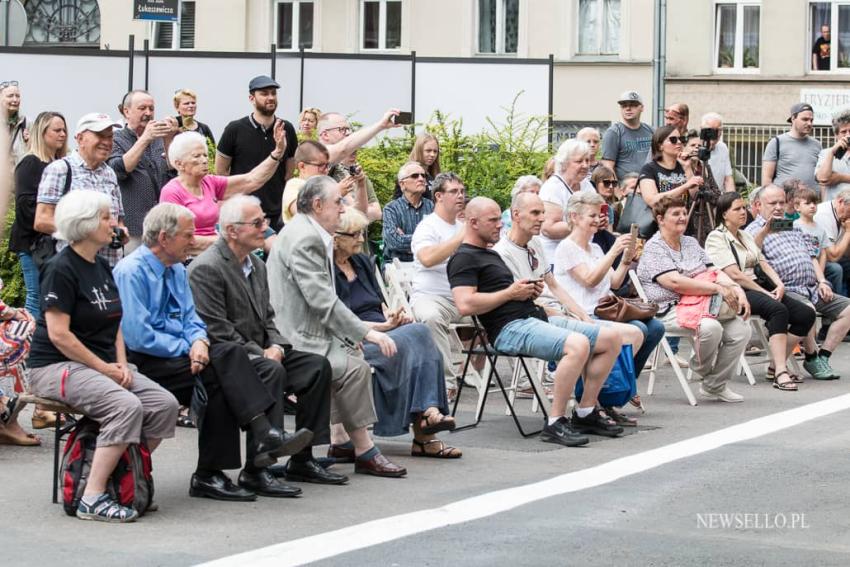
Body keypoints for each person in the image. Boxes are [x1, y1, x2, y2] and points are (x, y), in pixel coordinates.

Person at [114, 203, 313, 500]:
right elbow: (139, 336)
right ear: (165, 238)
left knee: (251, 369)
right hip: (148, 360)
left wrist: (198, 341)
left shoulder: (176, 270)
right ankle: (258, 438)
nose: (194, 241)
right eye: (187, 235)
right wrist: (191, 347)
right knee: (226, 359)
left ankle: (223, 471)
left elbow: (192, 318)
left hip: (184, 355)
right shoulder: (132, 271)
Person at [26, 190, 179, 522]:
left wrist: (121, 364)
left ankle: (122, 474)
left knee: (163, 405)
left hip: (101, 364)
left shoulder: (100, 265)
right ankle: (92, 498)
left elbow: (116, 322)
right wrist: (106, 370)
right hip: (54, 366)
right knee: (125, 406)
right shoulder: (60, 268)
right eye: (107, 216)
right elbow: (59, 335)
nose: (114, 223)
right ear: (85, 223)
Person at [188, 196, 345, 486]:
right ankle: (257, 466)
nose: (266, 228)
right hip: (232, 355)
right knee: (272, 370)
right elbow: (217, 329)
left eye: (265, 220)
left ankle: (303, 458)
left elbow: (268, 318)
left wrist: (275, 345)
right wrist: (261, 352)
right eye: (258, 222)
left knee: (316, 367)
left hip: (262, 349)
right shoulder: (206, 268)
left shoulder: (257, 266)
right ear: (232, 230)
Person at [449, 197, 624, 446]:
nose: (500, 224)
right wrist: (511, 293)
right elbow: (465, 305)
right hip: (508, 329)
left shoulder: (493, 253)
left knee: (610, 337)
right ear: (473, 223)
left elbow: (533, 289)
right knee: (577, 344)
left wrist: (528, 293)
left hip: (533, 317)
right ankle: (555, 422)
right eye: (494, 220)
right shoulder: (464, 258)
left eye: (501, 218)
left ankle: (585, 412)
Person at [268, 176, 407, 478]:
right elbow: (321, 299)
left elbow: (321, 300)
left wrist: (349, 335)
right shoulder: (305, 237)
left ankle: (342, 444)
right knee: (353, 368)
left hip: (309, 329)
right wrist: (366, 332)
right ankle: (363, 450)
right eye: (338, 202)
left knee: (353, 361)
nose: (343, 209)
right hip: (296, 336)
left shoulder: (308, 232)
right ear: (317, 205)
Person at [495, 191, 649, 424]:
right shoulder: (506, 252)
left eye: (543, 213)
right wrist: (572, 314)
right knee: (593, 340)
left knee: (638, 332)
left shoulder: (536, 244)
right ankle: (566, 414)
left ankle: (592, 407)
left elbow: (555, 286)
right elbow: (586, 281)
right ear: (516, 215)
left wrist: (625, 259)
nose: (542, 219)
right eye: (536, 213)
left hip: (565, 312)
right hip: (537, 317)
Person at [333, 207, 461, 458]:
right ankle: (427, 428)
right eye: (354, 234)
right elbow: (337, 320)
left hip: (383, 330)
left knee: (419, 332)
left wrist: (392, 316)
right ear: (335, 238)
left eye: (362, 233)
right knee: (419, 337)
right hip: (354, 338)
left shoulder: (360, 262)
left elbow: (377, 303)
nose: (361, 239)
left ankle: (429, 417)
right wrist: (381, 328)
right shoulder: (326, 269)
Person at [637, 195, 752, 402]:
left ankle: (713, 385)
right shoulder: (654, 248)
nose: (682, 217)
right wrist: (717, 289)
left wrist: (736, 288)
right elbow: (675, 283)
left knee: (742, 328)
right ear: (661, 219)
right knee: (711, 328)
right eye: (676, 214)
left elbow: (714, 269)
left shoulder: (690, 242)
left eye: (684, 213)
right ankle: (701, 368)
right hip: (669, 308)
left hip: (703, 304)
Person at [705, 192, 817, 390]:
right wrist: (765, 293)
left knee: (806, 314)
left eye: (743, 208)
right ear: (724, 214)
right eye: (737, 209)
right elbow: (735, 274)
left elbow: (762, 262)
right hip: (736, 290)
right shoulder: (716, 237)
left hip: (758, 285)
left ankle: (775, 364)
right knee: (778, 309)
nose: (743, 212)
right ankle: (781, 372)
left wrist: (779, 284)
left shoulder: (745, 234)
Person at [554, 191, 664, 378]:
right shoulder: (567, 247)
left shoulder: (595, 248)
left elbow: (614, 282)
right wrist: (613, 252)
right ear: (574, 217)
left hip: (605, 310)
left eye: (599, 215)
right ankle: (611, 385)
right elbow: (590, 280)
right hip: (583, 314)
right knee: (640, 330)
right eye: (592, 215)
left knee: (655, 328)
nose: (598, 220)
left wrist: (625, 260)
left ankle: (625, 383)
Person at [744, 184, 850, 379]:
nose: (778, 207)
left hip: (811, 287)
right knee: (806, 311)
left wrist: (822, 281)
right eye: (772, 203)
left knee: (848, 309)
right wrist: (765, 231)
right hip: (787, 289)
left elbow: (811, 256)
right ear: (758, 205)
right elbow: (752, 256)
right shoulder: (752, 230)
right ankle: (795, 361)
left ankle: (822, 357)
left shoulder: (791, 225)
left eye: (782, 202)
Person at [159, 128, 287, 254]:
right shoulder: (171, 192)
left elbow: (251, 180)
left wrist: (277, 153)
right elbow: (175, 239)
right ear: (179, 164)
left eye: (205, 155)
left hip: (216, 251)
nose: (204, 160)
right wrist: (226, 242)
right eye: (197, 156)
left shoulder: (209, 182)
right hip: (190, 258)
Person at [35, 112, 129, 268]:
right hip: (74, 268)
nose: (107, 142)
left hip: (109, 268)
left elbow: (117, 220)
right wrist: (88, 231)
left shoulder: (110, 173)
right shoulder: (60, 169)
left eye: (110, 137)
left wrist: (120, 231)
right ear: (80, 139)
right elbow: (42, 220)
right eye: (100, 135)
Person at [409, 173, 467, 396]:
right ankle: (446, 383)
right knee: (432, 317)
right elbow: (427, 258)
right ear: (439, 196)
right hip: (432, 296)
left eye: (462, 191)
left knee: (501, 310)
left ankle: (469, 370)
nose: (460, 196)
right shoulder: (428, 227)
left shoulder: (463, 226)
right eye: (454, 192)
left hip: (464, 297)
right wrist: (460, 238)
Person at [216, 75, 298, 231]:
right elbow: (221, 172)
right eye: (264, 93)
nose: (270, 97)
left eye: (273, 93)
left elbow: (289, 172)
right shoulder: (235, 129)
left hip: (276, 214)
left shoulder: (287, 128)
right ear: (251, 98)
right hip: (244, 214)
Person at [10, 111, 68, 317]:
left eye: (64, 130)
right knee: (36, 296)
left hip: (53, 240)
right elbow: (25, 208)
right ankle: (26, 345)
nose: (62, 134)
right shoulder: (30, 163)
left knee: (51, 296)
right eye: (57, 130)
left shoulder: (62, 164)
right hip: (33, 243)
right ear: (42, 133)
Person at [108, 90, 178, 253]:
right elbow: (120, 169)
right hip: (133, 228)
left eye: (151, 108)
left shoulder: (158, 139)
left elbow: (173, 172)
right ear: (126, 111)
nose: (148, 113)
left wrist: (169, 139)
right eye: (142, 108)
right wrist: (145, 138)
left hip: (161, 226)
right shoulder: (116, 138)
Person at [539, 139, 595, 262]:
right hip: (556, 257)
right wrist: (583, 223)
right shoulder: (553, 188)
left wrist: (601, 221)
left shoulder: (587, 186)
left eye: (587, 160)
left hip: (583, 254)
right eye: (579, 161)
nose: (585, 165)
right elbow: (549, 228)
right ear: (564, 163)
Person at [761, 103, 822, 191]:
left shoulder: (817, 144)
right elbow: (767, 179)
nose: (809, 123)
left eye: (811, 120)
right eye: (805, 119)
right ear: (793, 118)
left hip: (810, 201)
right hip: (784, 201)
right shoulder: (776, 142)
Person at [382, 161, 434, 263]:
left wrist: (406, 239)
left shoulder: (432, 207)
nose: (421, 179)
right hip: (397, 265)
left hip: (425, 263)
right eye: (415, 176)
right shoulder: (391, 209)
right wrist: (425, 239)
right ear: (402, 184)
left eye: (423, 176)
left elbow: (439, 238)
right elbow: (394, 242)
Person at [600, 90, 654, 181]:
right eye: (624, 106)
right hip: (625, 188)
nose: (628, 108)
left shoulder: (651, 131)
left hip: (649, 185)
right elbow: (608, 167)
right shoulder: (614, 133)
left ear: (642, 108)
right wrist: (618, 193)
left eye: (633, 105)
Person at [681, 129, 723, 245]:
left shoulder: (705, 168)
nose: (696, 148)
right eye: (692, 145)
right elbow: (694, 196)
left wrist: (706, 192)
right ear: (684, 148)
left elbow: (717, 196)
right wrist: (687, 168)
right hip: (686, 223)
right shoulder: (678, 168)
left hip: (705, 224)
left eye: (699, 146)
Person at [316, 109, 401, 165]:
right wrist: (380, 125)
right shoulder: (318, 154)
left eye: (348, 129)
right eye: (342, 129)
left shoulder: (342, 165)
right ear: (325, 135)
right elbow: (343, 149)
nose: (348, 133)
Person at [812, 186, 850, 297]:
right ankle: (839, 306)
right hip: (815, 259)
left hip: (830, 258)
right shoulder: (823, 215)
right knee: (836, 269)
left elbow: (846, 253)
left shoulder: (842, 215)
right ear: (841, 202)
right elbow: (833, 256)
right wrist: (848, 232)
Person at [815, 107, 850, 200]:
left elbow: (839, 178)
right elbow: (822, 178)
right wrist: (831, 153)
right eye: (843, 132)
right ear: (836, 135)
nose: (848, 135)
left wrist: (841, 178)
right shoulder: (826, 153)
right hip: (833, 209)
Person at [392, 133, 441, 199]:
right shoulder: (407, 174)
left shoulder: (434, 175)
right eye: (428, 151)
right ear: (419, 150)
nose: (432, 154)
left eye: (435, 151)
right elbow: (398, 203)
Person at [173, 89, 216, 161]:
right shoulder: (172, 125)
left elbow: (212, 153)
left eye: (193, 103)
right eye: (186, 103)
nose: (191, 106)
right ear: (177, 107)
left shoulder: (204, 128)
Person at [702, 112, 737, 193]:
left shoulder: (723, 147)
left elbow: (728, 178)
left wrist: (731, 199)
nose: (716, 133)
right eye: (712, 129)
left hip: (718, 197)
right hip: (699, 198)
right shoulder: (694, 147)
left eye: (719, 130)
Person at [1, 80, 28, 165]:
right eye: (10, 96)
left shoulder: (27, 123)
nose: (15, 100)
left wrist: (30, 143)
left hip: (19, 176)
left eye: (17, 96)